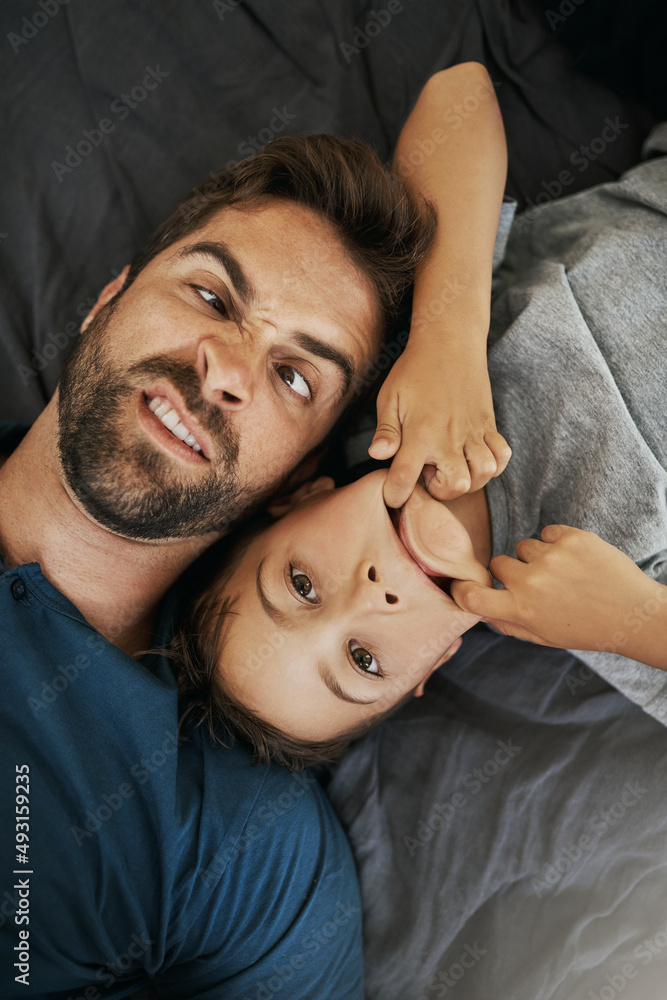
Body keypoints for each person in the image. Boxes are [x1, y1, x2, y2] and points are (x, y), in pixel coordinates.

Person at [0, 61, 515, 996]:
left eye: (293, 377)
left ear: (299, 478)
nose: (228, 368)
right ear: (106, 299)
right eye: (211, 298)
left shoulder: (243, 854)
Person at [169, 133, 667, 770]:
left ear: (300, 496)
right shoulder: (601, 616)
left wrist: (445, 336)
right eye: (364, 659)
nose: (371, 595)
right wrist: (637, 618)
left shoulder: (393, 384)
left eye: (302, 584)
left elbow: (459, 98)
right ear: (432, 662)